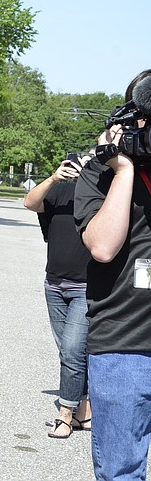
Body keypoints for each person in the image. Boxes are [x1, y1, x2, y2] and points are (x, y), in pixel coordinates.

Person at [74, 69, 151, 479]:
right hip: (126, 349)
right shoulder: (99, 173)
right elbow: (103, 247)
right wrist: (123, 172)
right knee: (122, 472)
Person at [24, 155, 93, 438]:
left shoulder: (101, 194)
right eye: (79, 162)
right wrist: (54, 177)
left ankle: (65, 415)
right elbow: (30, 203)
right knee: (70, 352)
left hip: (85, 287)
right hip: (54, 285)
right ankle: (84, 411)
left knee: (73, 350)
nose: (82, 166)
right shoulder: (60, 190)